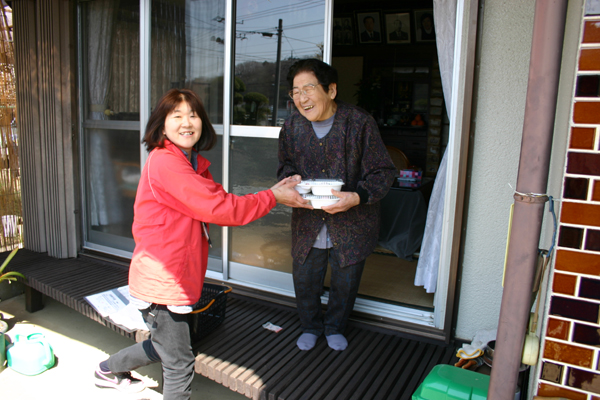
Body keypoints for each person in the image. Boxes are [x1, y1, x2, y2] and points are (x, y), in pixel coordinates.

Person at [94, 88, 305, 399]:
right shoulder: (167, 163)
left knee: (168, 344)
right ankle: (108, 369)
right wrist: (273, 196)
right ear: (161, 125)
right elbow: (221, 209)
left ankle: (107, 369)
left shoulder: (189, 163)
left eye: (192, 115)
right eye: (176, 115)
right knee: (179, 362)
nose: (187, 122)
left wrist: (272, 192)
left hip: (173, 277)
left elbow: (221, 201)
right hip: (162, 282)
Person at [277, 59, 396, 352]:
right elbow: (284, 166)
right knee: (305, 276)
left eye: (309, 88)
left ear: (331, 90)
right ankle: (310, 326)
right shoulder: (292, 126)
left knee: (346, 278)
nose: (302, 98)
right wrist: (291, 182)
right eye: (295, 91)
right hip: (307, 218)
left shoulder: (359, 123)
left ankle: (334, 327)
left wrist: (356, 197)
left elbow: (383, 172)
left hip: (352, 220)